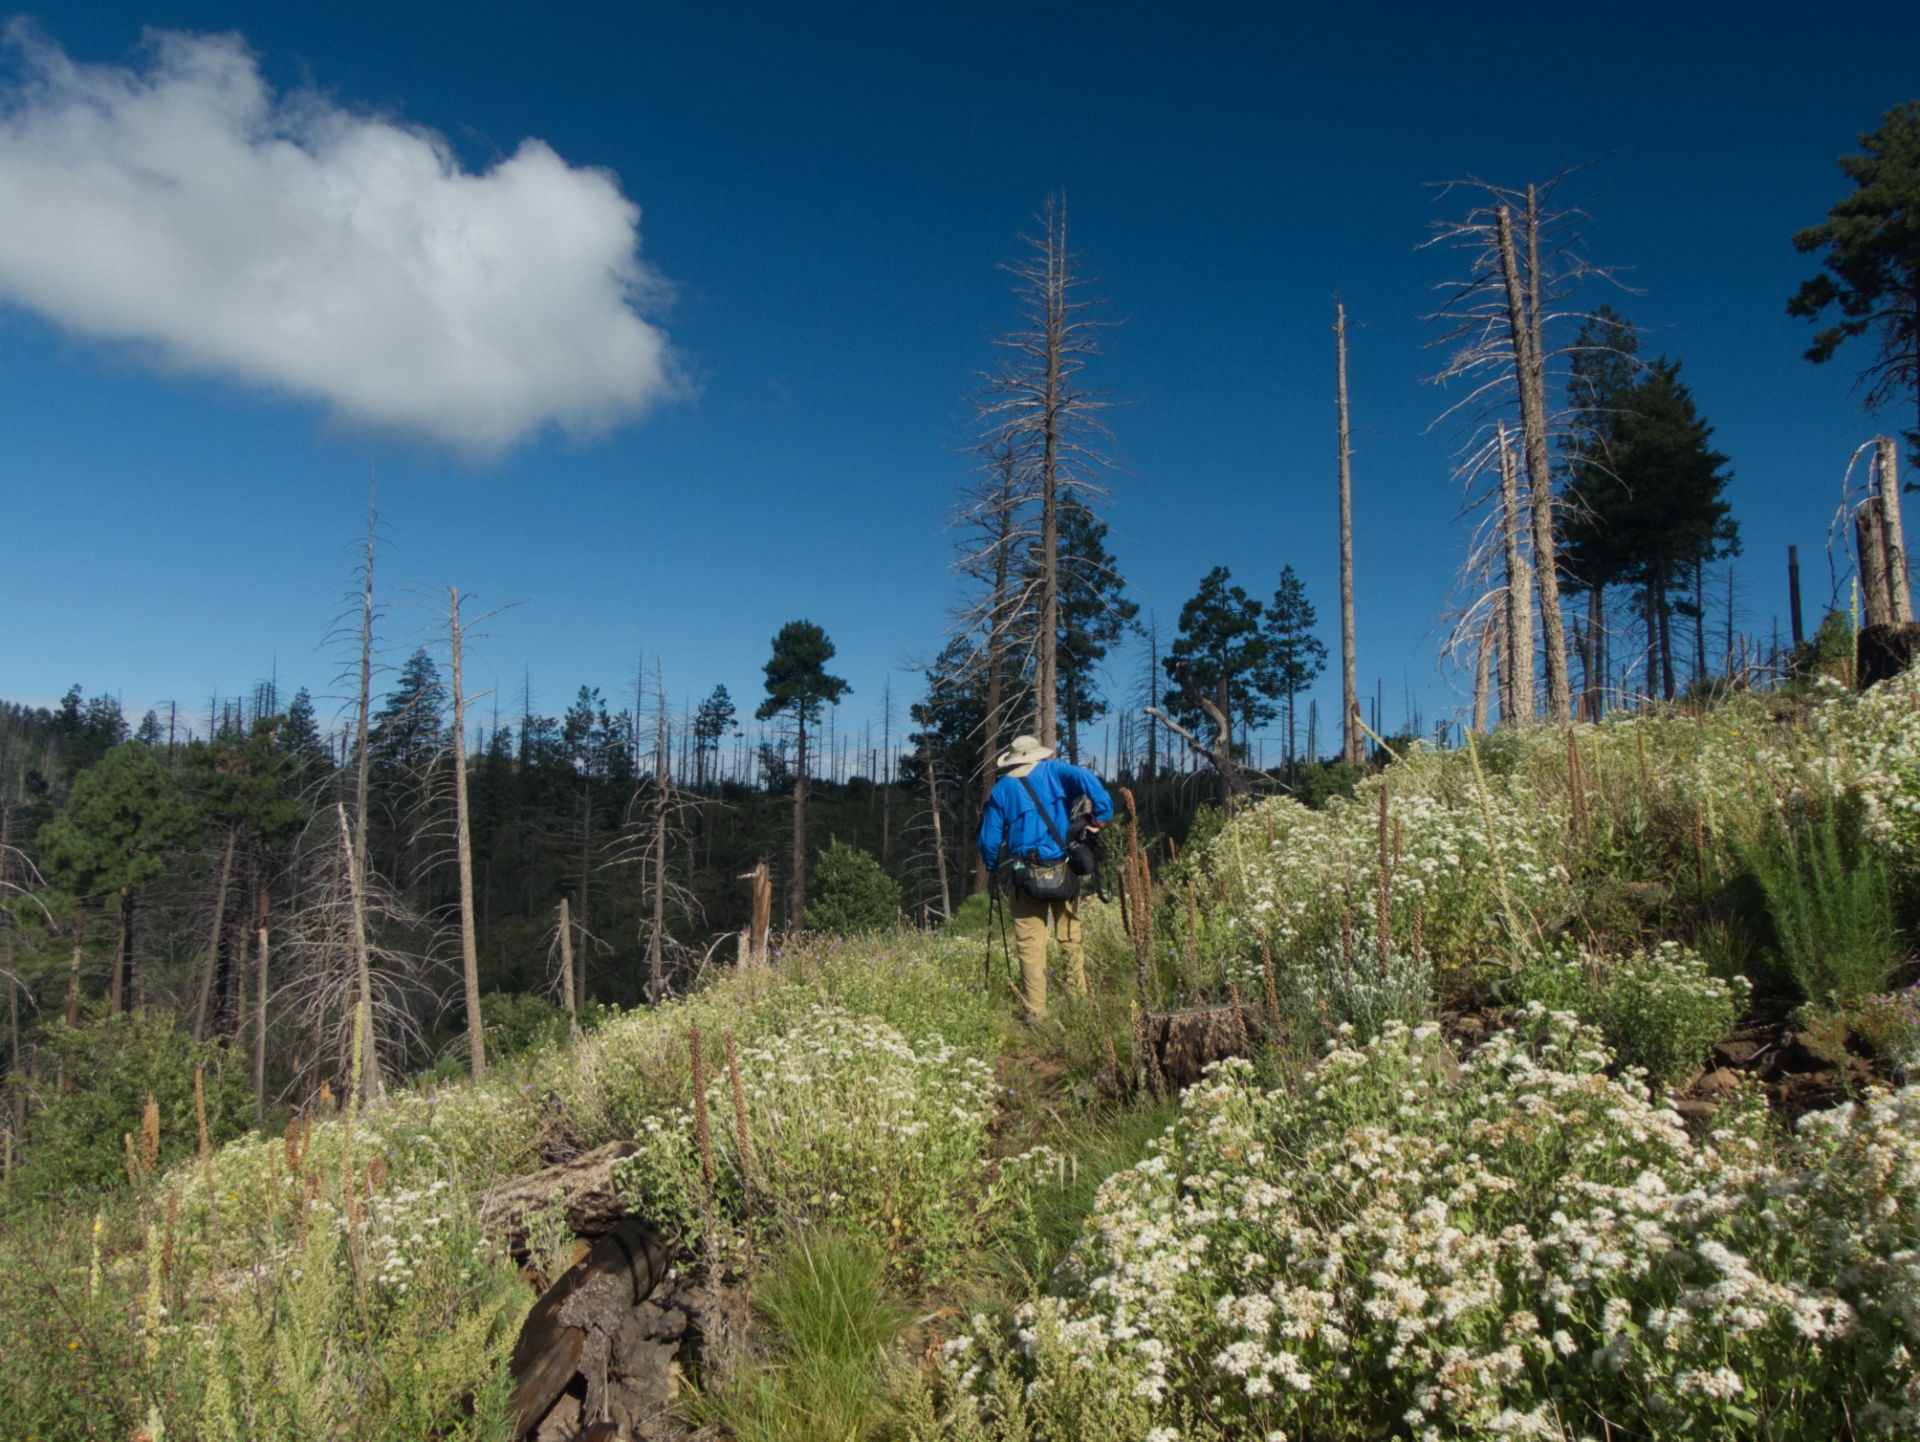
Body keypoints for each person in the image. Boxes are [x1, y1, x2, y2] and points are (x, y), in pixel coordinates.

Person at [977, 734, 1112, 1021]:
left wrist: (991, 865)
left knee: (1029, 944)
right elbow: (1085, 776)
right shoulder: (1055, 771)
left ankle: (1036, 1012)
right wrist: (1102, 815)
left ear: (1013, 759)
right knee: (1069, 938)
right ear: (1036, 753)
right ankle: (1079, 1005)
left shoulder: (1002, 789)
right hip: (1064, 869)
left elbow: (989, 840)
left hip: (1025, 874)